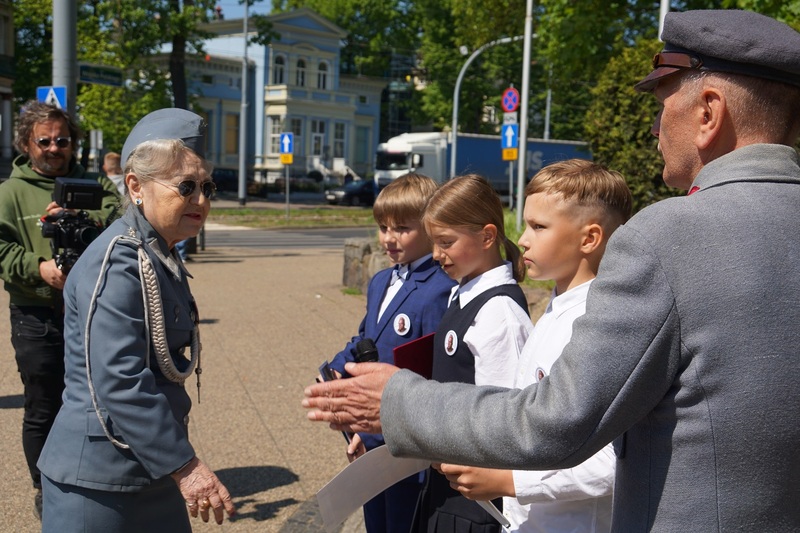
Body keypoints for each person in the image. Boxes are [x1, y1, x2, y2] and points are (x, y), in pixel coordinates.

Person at [303, 9, 800, 531]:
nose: (654, 127)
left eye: (662, 106)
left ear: (709, 112)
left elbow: (557, 422)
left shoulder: (669, 237)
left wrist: (399, 402)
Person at [36, 108, 235, 532]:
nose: (201, 200)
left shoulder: (157, 251)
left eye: (206, 186)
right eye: (185, 186)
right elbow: (120, 378)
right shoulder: (119, 261)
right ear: (135, 186)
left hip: (149, 467)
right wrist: (186, 467)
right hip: (99, 482)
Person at [438, 160, 632, 533]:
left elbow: (612, 463)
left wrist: (509, 481)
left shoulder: (600, 325)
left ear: (589, 239)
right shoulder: (557, 308)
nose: (523, 239)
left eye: (538, 227)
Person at [0, 101, 120, 519]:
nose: (54, 148)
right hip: (36, 313)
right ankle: (44, 486)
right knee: (43, 405)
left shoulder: (93, 184)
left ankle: (91, 476)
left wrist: (81, 217)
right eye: (44, 141)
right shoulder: (9, 192)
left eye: (62, 140)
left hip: (92, 310)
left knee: (98, 399)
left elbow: (121, 218)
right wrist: (38, 268)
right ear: (26, 143)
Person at [327, 173, 455, 533]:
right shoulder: (381, 280)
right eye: (383, 227)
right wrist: (337, 368)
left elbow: (428, 372)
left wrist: (371, 435)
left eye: (401, 228)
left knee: (403, 521)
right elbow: (366, 337)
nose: (388, 238)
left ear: (430, 227)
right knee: (376, 521)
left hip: (404, 442)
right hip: (369, 431)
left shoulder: (440, 288)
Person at [411, 174, 532, 533]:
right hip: (450, 486)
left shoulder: (499, 313)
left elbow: (504, 419)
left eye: (446, 242)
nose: (436, 255)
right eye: (434, 243)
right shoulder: (463, 292)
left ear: (487, 236)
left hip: (477, 504)